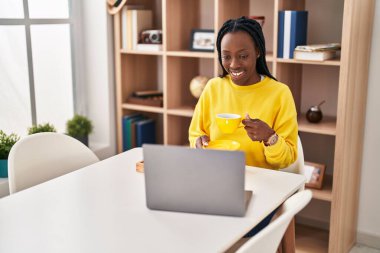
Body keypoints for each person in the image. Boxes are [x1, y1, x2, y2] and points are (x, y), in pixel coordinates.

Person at [189, 16, 298, 170]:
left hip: (262, 182)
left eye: (243, 56)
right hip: (216, 174)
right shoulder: (213, 88)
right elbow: (195, 135)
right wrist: (198, 142)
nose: (233, 64)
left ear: (258, 51)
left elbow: (287, 158)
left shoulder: (280, 93)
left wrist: (270, 137)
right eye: (226, 56)